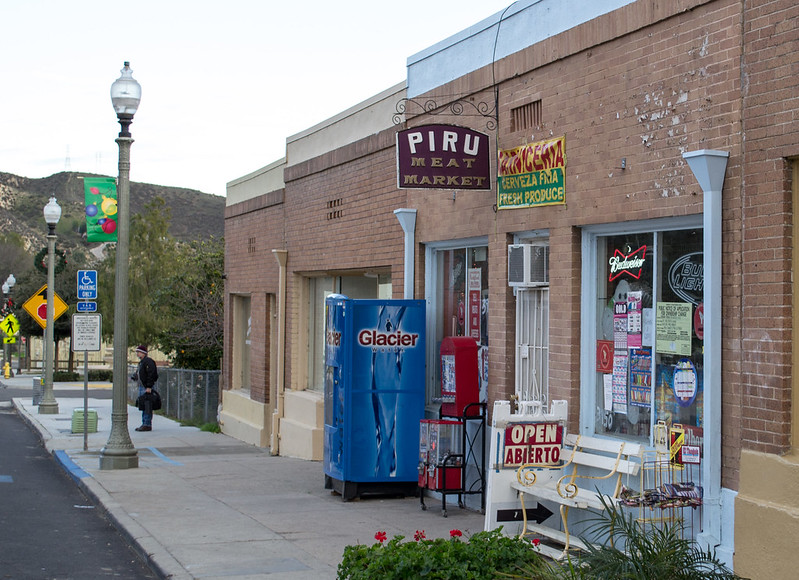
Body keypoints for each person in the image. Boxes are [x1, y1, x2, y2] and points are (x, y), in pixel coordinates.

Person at [133, 345, 158, 431]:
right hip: (142, 386)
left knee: (147, 405)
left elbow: (152, 374)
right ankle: (144, 423)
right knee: (143, 405)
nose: (137, 354)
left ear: (143, 353)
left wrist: (149, 386)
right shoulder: (141, 362)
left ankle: (147, 424)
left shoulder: (148, 362)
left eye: (139, 352)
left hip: (146, 387)